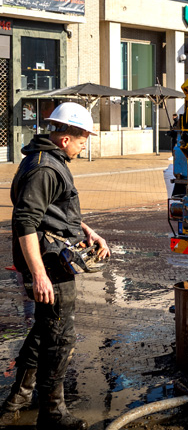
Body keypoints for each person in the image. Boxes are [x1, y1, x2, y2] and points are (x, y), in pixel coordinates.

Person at [1, 102, 110, 430]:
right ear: (65, 138)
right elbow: (25, 220)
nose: (84, 144)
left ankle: (18, 400)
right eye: (82, 139)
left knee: (44, 329)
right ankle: (53, 412)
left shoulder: (45, 160)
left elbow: (54, 211)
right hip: (49, 265)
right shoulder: (46, 168)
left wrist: (88, 232)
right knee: (60, 336)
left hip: (50, 259)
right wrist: (38, 274)